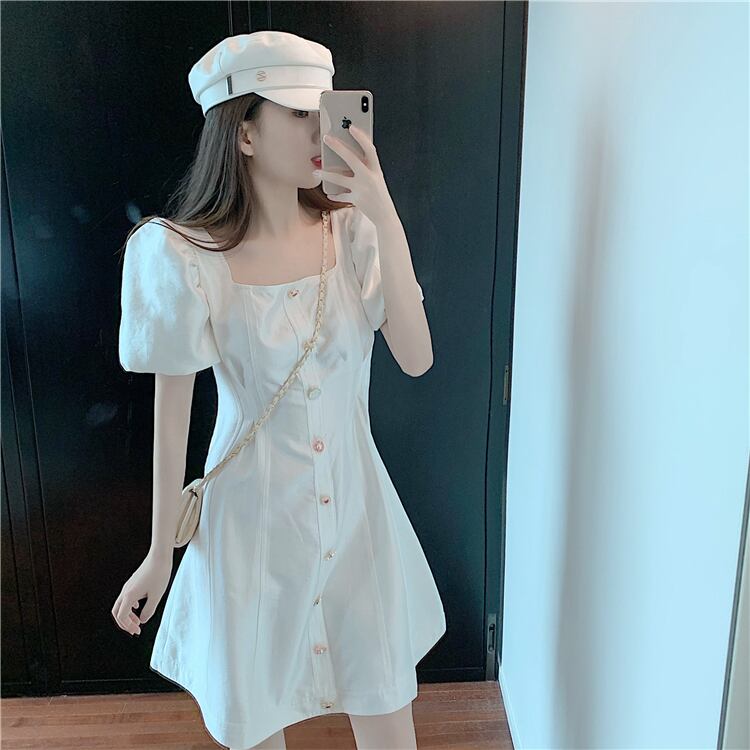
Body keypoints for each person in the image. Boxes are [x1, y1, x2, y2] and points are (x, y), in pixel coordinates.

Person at [110, 30, 446, 750]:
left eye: (323, 110)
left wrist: (383, 212)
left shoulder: (353, 236)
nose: (321, 130)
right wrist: (159, 554)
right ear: (245, 133)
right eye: (297, 114)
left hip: (356, 518)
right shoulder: (186, 258)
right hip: (249, 533)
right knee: (257, 722)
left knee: (388, 716)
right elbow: (173, 419)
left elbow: (416, 359)